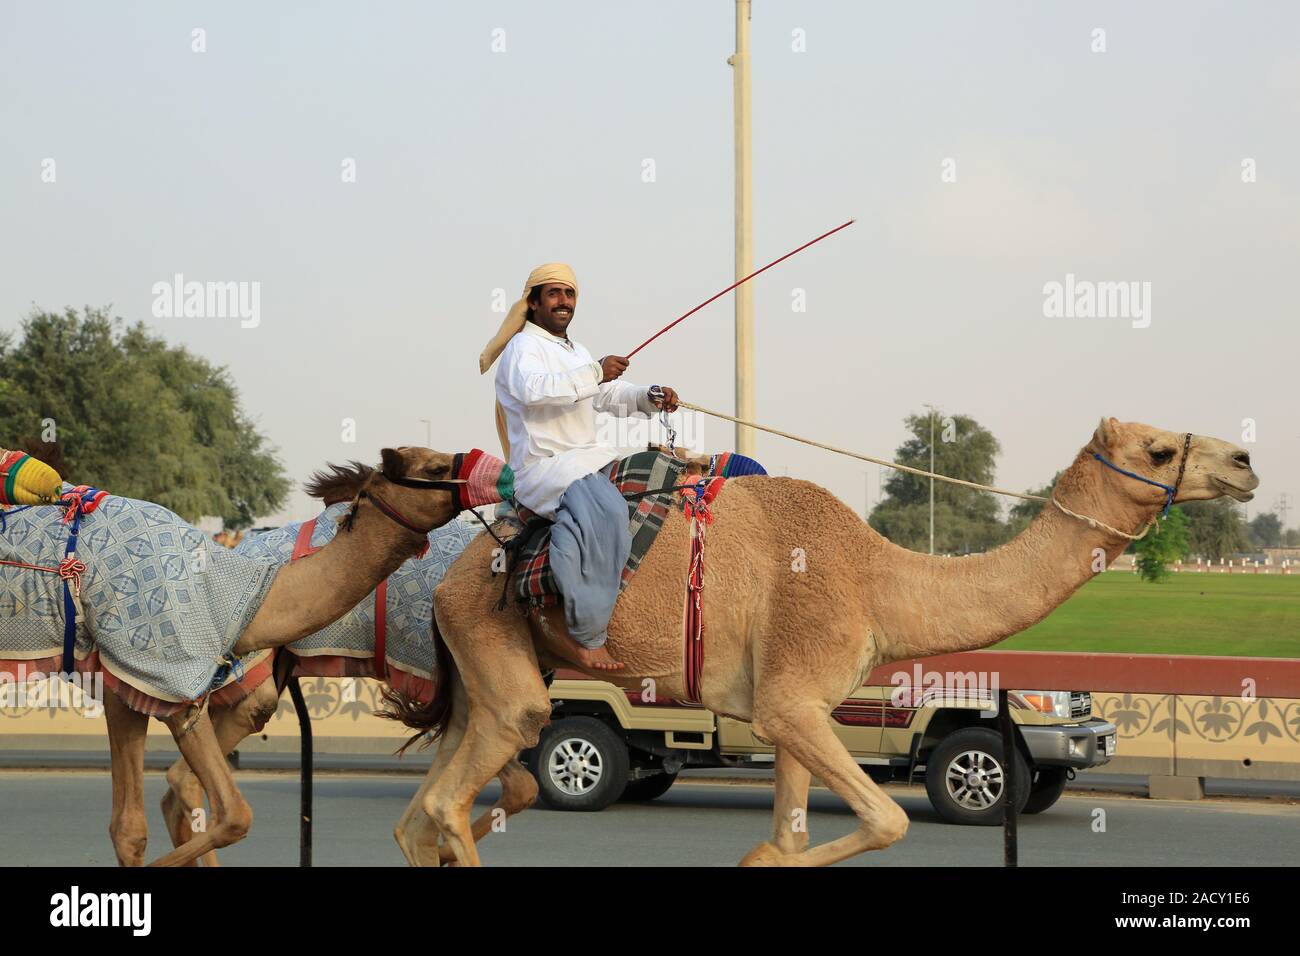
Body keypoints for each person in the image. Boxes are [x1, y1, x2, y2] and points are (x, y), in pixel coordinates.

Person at [479, 263, 679, 670]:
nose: (563, 302)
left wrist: (648, 395)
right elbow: (536, 392)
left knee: (660, 477)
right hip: (545, 469)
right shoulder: (522, 349)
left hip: (588, 459)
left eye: (569, 294)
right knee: (605, 512)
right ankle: (586, 632)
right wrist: (594, 371)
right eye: (553, 294)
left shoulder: (576, 351)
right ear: (533, 302)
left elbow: (605, 394)